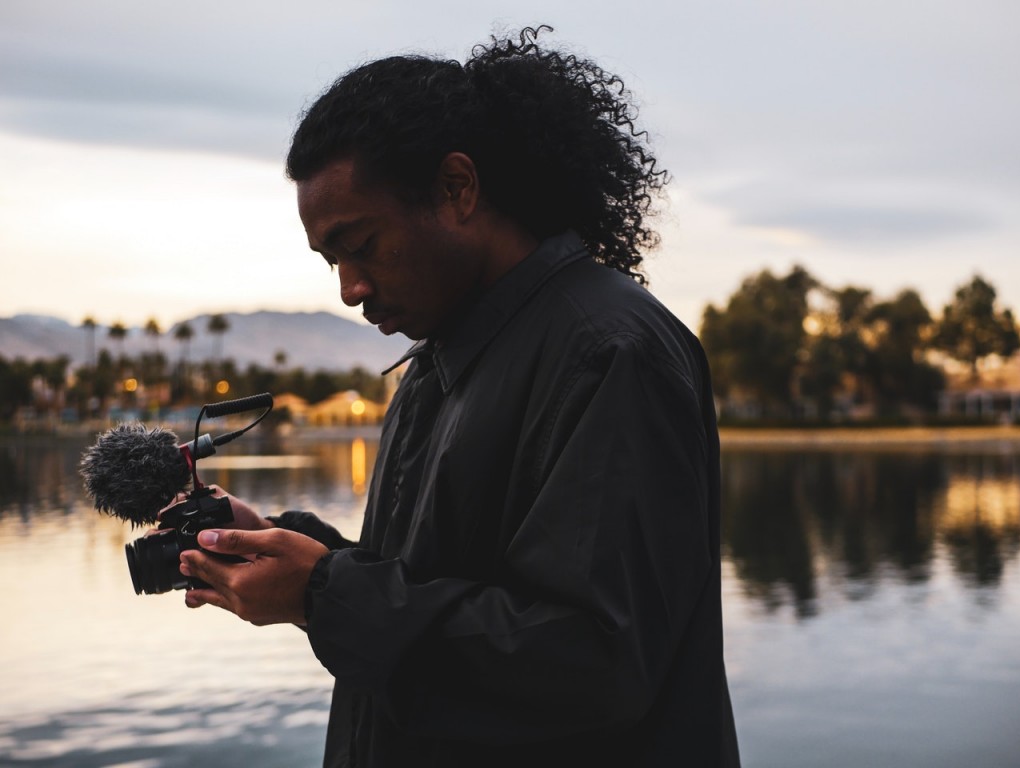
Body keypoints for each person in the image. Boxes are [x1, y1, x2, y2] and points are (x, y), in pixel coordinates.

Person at [178, 25, 741, 768]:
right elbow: (435, 586)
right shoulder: (439, 360)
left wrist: (322, 594)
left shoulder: (610, 352)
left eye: (363, 245)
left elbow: (590, 665)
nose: (350, 289)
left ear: (456, 189)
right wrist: (289, 546)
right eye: (332, 260)